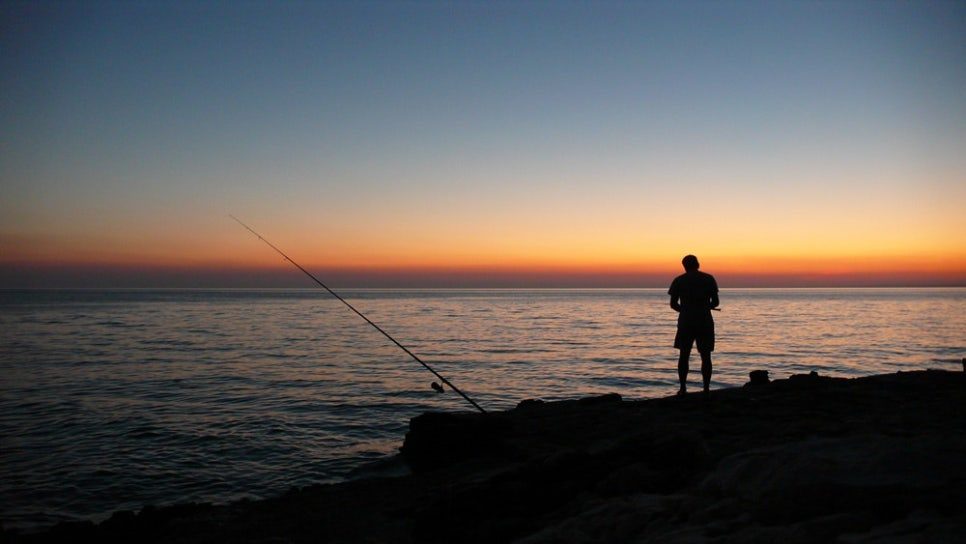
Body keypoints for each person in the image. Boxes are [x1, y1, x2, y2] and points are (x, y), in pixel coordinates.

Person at [668, 255, 719, 395]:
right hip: (704, 320)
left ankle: (683, 388)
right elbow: (715, 302)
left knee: (684, 355)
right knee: (706, 356)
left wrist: (685, 310)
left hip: (686, 321)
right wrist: (704, 306)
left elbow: (673, 304)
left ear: (684, 266)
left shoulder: (678, 280)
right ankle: (706, 388)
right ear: (698, 264)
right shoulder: (709, 278)